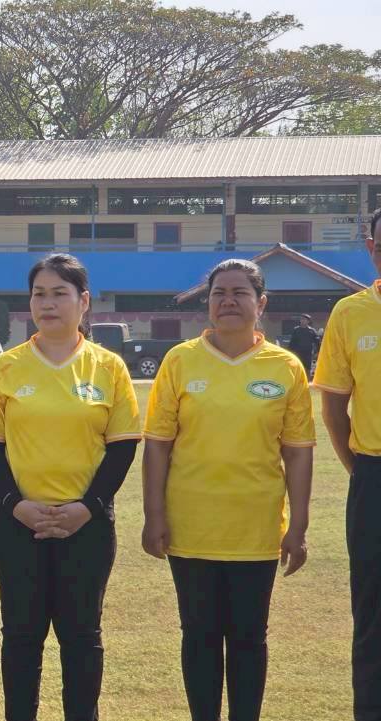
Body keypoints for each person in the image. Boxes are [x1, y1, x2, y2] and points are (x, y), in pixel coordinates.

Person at [142, 259, 314, 721]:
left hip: (256, 529)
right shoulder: (180, 360)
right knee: (198, 635)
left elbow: (298, 452)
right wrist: (154, 516)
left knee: (249, 638)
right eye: (219, 293)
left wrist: (298, 527)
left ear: (261, 303)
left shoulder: (285, 367)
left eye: (240, 293)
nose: (228, 301)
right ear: (208, 303)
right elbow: (157, 445)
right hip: (192, 527)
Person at [0, 254, 140, 721]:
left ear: (83, 301)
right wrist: (15, 504)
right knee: (21, 637)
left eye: (59, 294)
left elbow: (122, 447)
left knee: (82, 637)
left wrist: (87, 507)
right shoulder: (8, 367)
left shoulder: (108, 367)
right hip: (19, 524)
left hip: (86, 526)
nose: (47, 304)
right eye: (39, 294)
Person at [314, 206, 381, 721]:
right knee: (373, 611)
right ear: (371, 248)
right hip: (374, 475)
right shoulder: (350, 313)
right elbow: (334, 406)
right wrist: (359, 470)